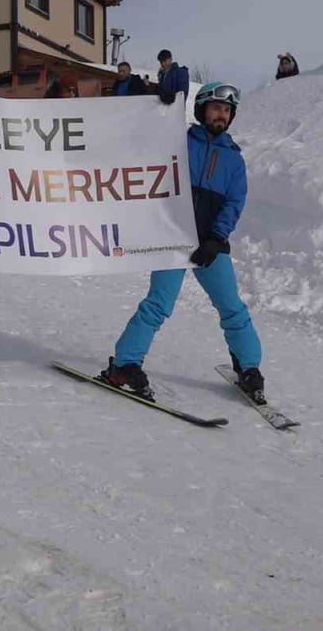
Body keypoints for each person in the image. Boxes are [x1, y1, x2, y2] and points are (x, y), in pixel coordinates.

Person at [100, 82, 266, 403]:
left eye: (227, 110)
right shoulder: (178, 140)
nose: (221, 115)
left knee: (232, 308)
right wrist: (161, 104)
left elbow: (234, 202)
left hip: (210, 243)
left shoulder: (234, 159)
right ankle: (124, 365)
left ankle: (248, 368)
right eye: (216, 108)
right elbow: (143, 139)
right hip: (173, 238)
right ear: (202, 109)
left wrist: (216, 238)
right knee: (158, 304)